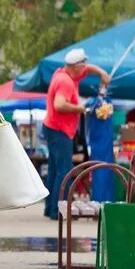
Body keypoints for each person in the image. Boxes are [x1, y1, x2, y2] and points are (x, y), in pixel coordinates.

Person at [41, 48, 110, 219]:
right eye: (82, 65)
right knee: (64, 171)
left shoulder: (64, 73)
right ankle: (58, 212)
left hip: (51, 127)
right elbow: (59, 105)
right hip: (59, 130)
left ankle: (50, 208)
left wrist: (101, 73)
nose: (85, 68)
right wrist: (81, 108)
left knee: (54, 169)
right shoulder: (65, 82)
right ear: (75, 67)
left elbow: (89, 68)